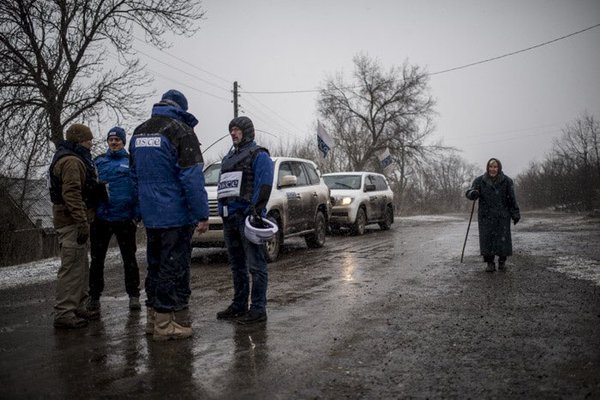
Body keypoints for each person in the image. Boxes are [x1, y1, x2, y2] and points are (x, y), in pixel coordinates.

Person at [130, 89, 209, 341]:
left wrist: (138, 209)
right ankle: (165, 323)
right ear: (181, 109)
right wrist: (201, 214)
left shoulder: (139, 132)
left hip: (151, 215)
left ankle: (152, 319)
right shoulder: (181, 131)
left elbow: (134, 176)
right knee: (171, 266)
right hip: (174, 214)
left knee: (154, 265)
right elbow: (192, 178)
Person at [216, 116, 274, 324]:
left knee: (256, 265)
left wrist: (255, 212)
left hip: (248, 219)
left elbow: (264, 185)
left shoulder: (259, 155)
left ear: (246, 131)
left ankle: (258, 309)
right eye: (231, 130)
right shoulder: (228, 159)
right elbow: (223, 187)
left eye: (237, 130)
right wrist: (222, 210)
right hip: (229, 219)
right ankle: (239, 304)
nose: (233, 133)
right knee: (236, 265)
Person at [49, 123, 105, 328]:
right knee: (72, 267)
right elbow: (71, 194)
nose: (91, 143)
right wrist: (81, 222)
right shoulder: (72, 161)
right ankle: (64, 311)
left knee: (81, 265)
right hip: (71, 222)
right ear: (79, 141)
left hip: (75, 221)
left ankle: (77, 305)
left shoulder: (74, 158)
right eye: (88, 139)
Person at [88, 127, 141, 313]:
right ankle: (94, 297)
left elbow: (138, 189)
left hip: (125, 218)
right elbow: (89, 186)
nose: (114, 142)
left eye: (117, 139)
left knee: (129, 259)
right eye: (111, 139)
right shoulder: (99, 162)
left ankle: (134, 295)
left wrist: (137, 215)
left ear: (123, 142)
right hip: (102, 218)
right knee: (97, 260)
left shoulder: (132, 162)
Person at [465, 158, 521, 272]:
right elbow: (469, 192)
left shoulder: (507, 181)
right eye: (491, 167)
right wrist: (473, 193)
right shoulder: (480, 181)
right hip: (486, 215)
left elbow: (512, 199)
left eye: (495, 167)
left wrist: (515, 213)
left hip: (502, 215)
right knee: (487, 239)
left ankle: (502, 262)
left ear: (499, 168)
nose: (493, 169)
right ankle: (490, 263)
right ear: (487, 168)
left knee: (503, 240)